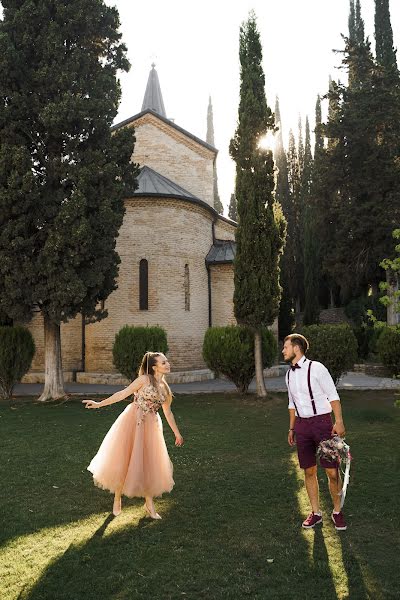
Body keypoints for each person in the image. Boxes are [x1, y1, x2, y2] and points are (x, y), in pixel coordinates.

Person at [82, 351, 184, 519]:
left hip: (151, 426)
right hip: (133, 421)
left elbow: (168, 412)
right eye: (164, 362)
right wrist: (99, 404)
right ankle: (117, 498)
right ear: (154, 367)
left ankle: (149, 504)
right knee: (125, 458)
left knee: (149, 463)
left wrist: (177, 433)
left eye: (167, 362)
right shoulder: (144, 380)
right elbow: (122, 394)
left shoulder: (164, 387)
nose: (168, 364)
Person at [282, 333, 347, 531]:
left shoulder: (317, 368)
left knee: (331, 471)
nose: (283, 350)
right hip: (302, 426)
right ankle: (316, 513)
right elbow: (292, 404)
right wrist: (292, 428)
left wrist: (339, 421)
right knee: (309, 470)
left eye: (286, 347)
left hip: (322, 424)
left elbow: (333, 396)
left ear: (296, 348)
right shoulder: (288, 375)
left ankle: (337, 511)